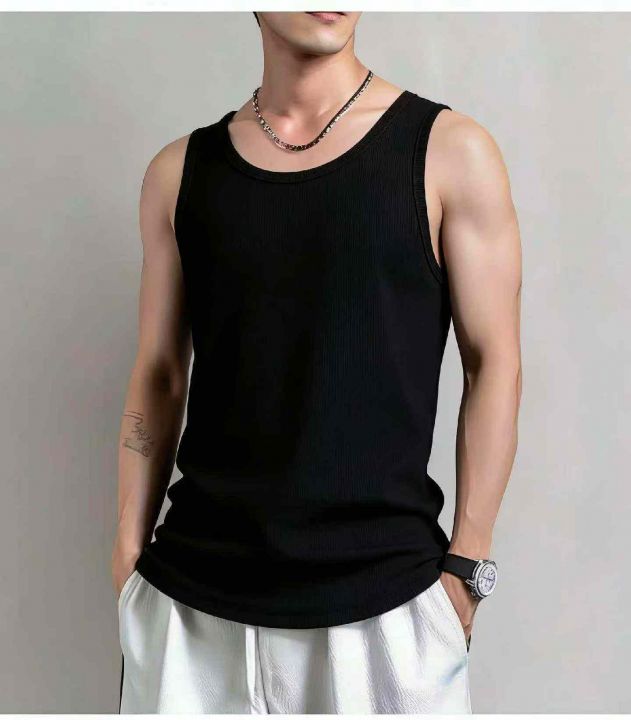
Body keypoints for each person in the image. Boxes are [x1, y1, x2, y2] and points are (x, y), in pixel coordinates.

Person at [112, 11, 522, 714]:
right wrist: (126, 556)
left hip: (387, 610)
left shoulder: (450, 152)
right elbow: (160, 374)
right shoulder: (178, 173)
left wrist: (467, 564)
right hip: (191, 609)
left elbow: (495, 363)